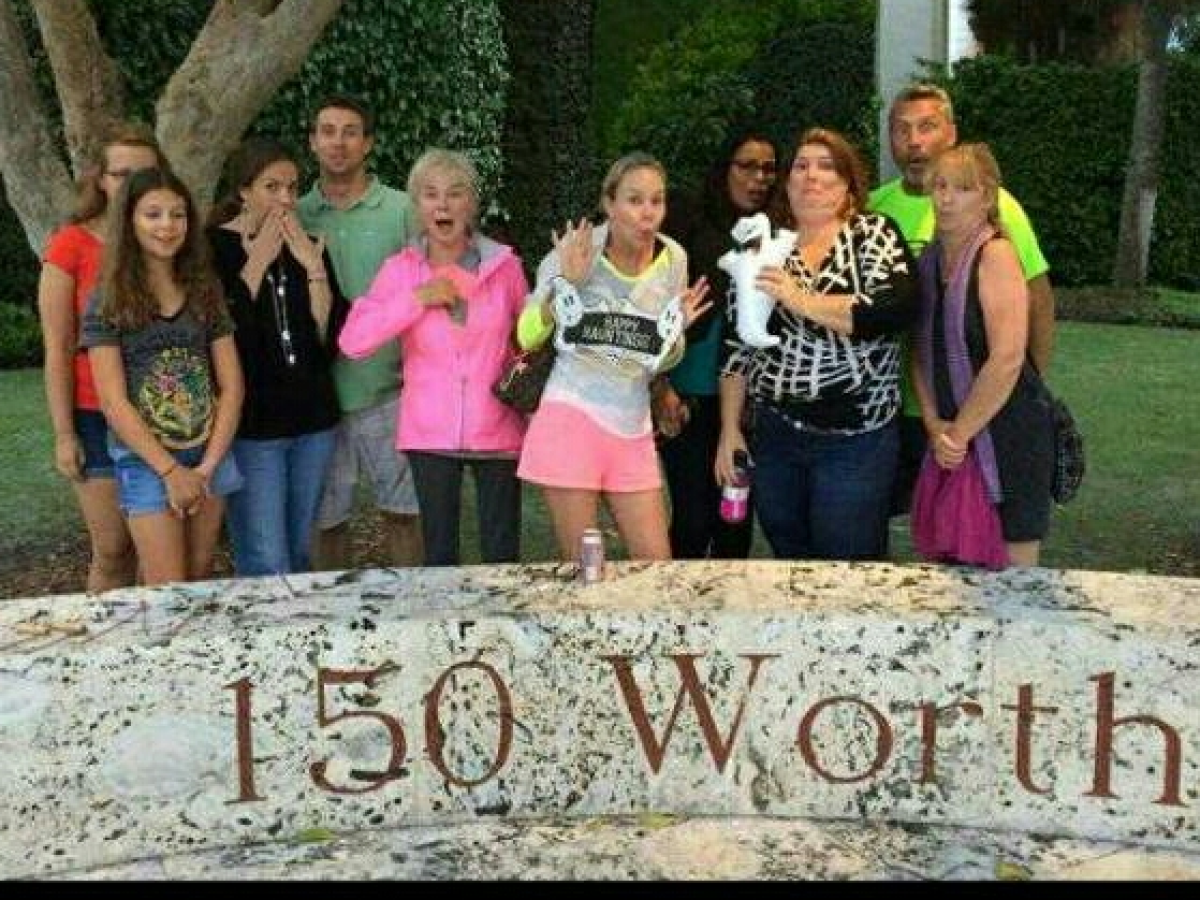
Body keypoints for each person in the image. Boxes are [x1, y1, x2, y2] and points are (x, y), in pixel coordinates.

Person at [716, 128, 917, 561]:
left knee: (848, 563)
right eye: (801, 166)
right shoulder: (764, 246)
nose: (811, 176)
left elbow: (892, 310)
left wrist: (799, 298)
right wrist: (730, 427)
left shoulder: (872, 234)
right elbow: (737, 346)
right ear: (787, 183)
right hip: (777, 436)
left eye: (826, 166)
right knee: (788, 553)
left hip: (855, 439)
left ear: (848, 183)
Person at [869, 83, 1055, 518]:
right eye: (901, 130)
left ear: (950, 133)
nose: (914, 141)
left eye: (927, 127)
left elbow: (1038, 301)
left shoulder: (996, 207)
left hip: (975, 411)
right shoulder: (873, 205)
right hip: (895, 410)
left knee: (981, 527)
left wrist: (1030, 390)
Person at [516, 152, 711, 564]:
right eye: (634, 200)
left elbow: (659, 359)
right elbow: (527, 334)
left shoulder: (674, 258)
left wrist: (675, 335)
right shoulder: (575, 250)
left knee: (656, 565)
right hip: (571, 415)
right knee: (586, 568)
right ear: (609, 203)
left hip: (633, 425)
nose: (647, 213)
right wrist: (564, 285)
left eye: (656, 201)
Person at [338, 149, 528, 566]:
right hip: (430, 432)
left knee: (502, 555)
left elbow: (528, 341)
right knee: (439, 557)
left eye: (455, 193)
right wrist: (418, 299)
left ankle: (500, 632)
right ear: (417, 205)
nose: (442, 204)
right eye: (430, 194)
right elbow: (354, 340)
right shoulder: (400, 270)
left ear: (472, 204)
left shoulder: (505, 266)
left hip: (497, 426)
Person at [82, 168, 244, 585]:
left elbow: (231, 386)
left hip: (210, 456)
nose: (167, 226)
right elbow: (114, 402)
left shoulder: (204, 289)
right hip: (147, 462)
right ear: (130, 221)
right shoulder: (108, 299)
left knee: (199, 573)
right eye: (153, 214)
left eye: (178, 215)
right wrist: (171, 472)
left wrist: (206, 468)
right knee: (167, 588)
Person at [207, 138, 348, 576]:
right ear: (244, 191)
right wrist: (256, 264)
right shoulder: (213, 248)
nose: (286, 199)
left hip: (313, 421)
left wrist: (314, 270)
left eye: (292, 186)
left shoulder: (307, 245)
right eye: (272, 187)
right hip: (255, 427)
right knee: (267, 558)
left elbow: (327, 335)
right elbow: (221, 331)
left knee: (300, 553)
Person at [912, 144, 1055, 567]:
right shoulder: (929, 260)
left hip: (1008, 436)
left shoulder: (997, 255)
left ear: (987, 197)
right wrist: (933, 420)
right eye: (939, 186)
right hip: (950, 435)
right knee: (948, 564)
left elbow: (1008, 357)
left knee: (1013, 576)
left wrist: (959, 434)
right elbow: (919, 350)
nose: (947, 198)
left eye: (962, 188)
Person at [37, 123, 165, 592]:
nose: (131, 186)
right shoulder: (71, 245)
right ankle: (101, 651)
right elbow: (57, 345)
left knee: (157, 555)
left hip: (162, 416)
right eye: (121, 174)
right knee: (113, 550)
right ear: (100, 180)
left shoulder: (169, 240)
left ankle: (153, 653)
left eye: (144, 174)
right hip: (95, 414)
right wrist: (64, 433)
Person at [297, 94, 423, 570]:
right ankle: (331, 629)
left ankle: (413, 619)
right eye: (327, 131)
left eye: (350, 131)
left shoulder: (400, 210)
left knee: (405, 514)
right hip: (321, 394)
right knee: (326, 521)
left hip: (389, 390)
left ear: (367, 143)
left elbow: (428, 287)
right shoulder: (296, 214)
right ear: (313, 142)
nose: (338, 142)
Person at [655, 129, 779, 560]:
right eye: (747, 165)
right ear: (725, 168)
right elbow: (657, 303)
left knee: (735, 517)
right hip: (686, 394)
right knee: (692, 517)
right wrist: (660, 386)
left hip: (747, 402)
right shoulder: (688, 220)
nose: (758, 177)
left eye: (768, 168)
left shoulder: (777, 234)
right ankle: (678, 619)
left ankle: (730, 614)